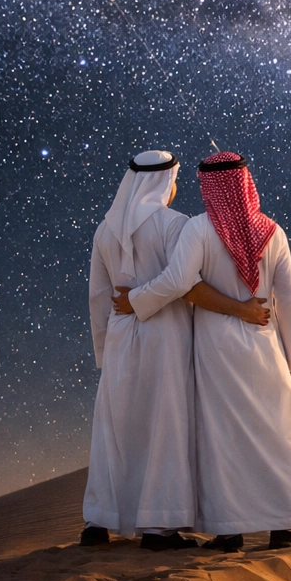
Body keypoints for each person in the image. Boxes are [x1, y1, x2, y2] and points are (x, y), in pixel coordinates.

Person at [118, 151, 291, 551]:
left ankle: (229, 531)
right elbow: (289, 297)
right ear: (247, 183)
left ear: (208, 187)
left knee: (222, 434)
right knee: (279, 430)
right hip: (266, 343)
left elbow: (178, 281)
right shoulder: (273, 232)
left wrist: (137, 300)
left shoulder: (198, 229)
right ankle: (286, 526)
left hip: (216, 345)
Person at [85, 150, 270, 552]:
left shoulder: (104, 230)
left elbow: (99, 296)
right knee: (164, 425)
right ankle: (159, 528)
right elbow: (187, 284)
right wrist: (240, 310)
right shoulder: (176, 225)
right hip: (164, 333)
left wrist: (104, 348)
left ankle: (99, 521)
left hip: (120, 335)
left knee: (115, 427)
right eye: (174, 180)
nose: (175, 188)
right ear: (162, 181)